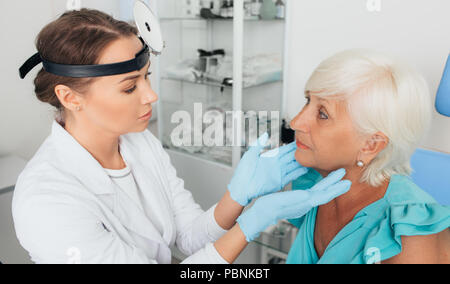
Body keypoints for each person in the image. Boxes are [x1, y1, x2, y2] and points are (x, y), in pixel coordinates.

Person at [12, 9, 351, 264]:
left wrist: (238, 196)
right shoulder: (47, 201)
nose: (150, 95)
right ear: (70, 98)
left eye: (147, 77)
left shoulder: (139, 143)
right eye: (130, 87)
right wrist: (249, 225)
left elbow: (188, 238)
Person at [286, 49, 450, 264]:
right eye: (308, 100)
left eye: (323, 114)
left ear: (371, 145)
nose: (296, 122)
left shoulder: (410, 238)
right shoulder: (314, 185)